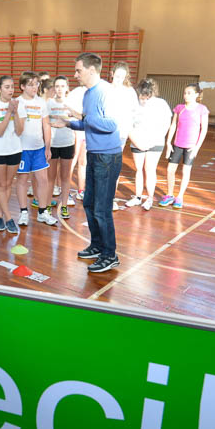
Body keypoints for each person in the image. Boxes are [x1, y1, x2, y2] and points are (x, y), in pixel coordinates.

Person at [51, 53, 121, 273]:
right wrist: (69, 124)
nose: (75, 75)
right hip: (95, 154)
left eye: (78, 70)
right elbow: (89, 124)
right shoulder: (88, 93)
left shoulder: (106, 92)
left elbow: (111, 124)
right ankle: (98, 245)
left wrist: (82, 117)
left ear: (92, 70)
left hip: (107, 157)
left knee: (102, 209)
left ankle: (110, 255)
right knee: (89, 203)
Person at [14, 71, 57, 227]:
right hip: (22, 149)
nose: (34, 87)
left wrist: (48, 146)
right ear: (22, 86)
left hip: (39, 148)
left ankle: (42, 212)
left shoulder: (41, 102)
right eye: (31, 84)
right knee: (22, 180)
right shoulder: (17, 102)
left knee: (43, 180)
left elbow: (46, 125)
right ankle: (23, 212)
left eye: (36, 84)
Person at [160, 84, 209, 209]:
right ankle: (170, 194)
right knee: (170, 170)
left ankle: (180, 196)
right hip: (177, 145)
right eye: (185, 93)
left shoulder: (202, 109)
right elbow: (173, 125)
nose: (186, 95)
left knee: (185, 171)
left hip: (191, 147)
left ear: (196, 95)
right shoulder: (179, 108)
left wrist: (197, 147)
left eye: (189, 93)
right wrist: (168, 142)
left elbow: (204, 129)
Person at [127, 79, 172, 211]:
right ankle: (138, 197)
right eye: (142, 97)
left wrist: (153, 141)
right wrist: (137, 142)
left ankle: (150, 198)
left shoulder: (161, 104)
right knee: (138, 169)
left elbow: (166, 124)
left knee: (150, 169)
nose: (144, 100)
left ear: (152, 94)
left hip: (155, 142)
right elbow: (128, 124)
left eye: (147, 97)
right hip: (137, 141)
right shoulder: (134, 104)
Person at [0, 75, 22, 234]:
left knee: (8, 184)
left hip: (15, 149)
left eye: (12, 87)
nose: (10, 90)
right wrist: (9, 112)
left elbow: (19, 131)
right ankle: (8, 218)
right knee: (1, 185)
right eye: (7, 87)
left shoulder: (18, 104)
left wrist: (16, 112)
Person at [107, 61, 140, 211]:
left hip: (119, 134)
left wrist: (128, 129)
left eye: (122, 77)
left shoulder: (129, 92)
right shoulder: (105, 89)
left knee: (113, 167)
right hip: (103, 133)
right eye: (117, 76)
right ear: (112, 74)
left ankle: (110, 198)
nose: (119, 79)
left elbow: (135, 113)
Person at [46, 77, 76, 220]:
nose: (59, 89)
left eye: (62, 86)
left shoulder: (71, 103)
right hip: (52, 144)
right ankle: (47, 205)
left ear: (67, 88)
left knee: (65, 177)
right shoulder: (49, 103)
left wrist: (65, 122)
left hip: (67, 143)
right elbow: (45, 122)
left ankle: (64, 205)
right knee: (50, 177)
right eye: (57, 86)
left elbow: (76, 121)